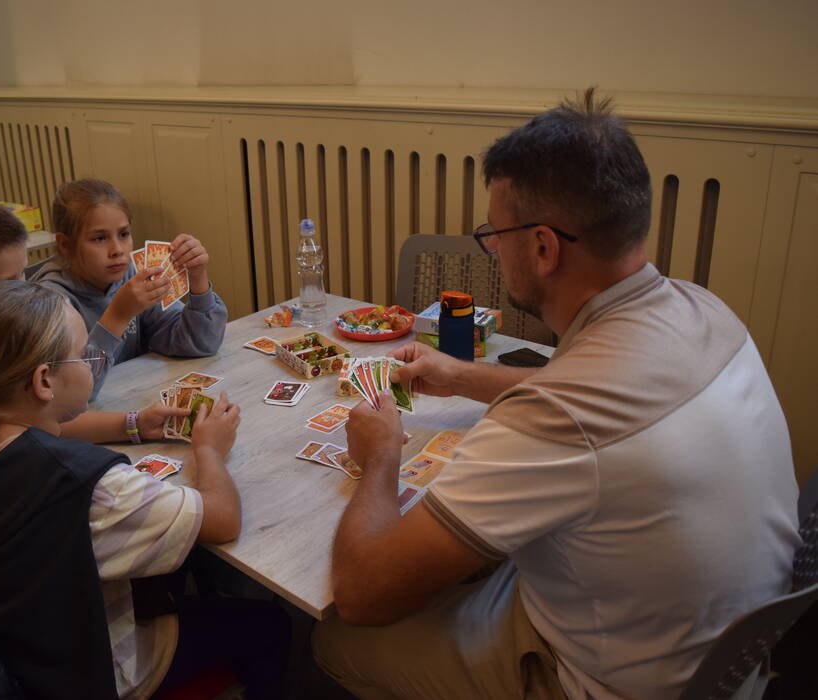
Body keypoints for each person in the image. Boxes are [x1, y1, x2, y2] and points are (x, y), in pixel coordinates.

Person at [312, 89, 801, 699]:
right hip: (722, 662)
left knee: (334, 638)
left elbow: (363, 593)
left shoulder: (560, 415)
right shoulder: (703, 310)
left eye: (495, 234)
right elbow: (595, 405)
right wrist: (462, 375)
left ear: (543, 247)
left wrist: (381, 458)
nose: (493, 248)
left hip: (603, 682)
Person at [0, 280, 289, 699]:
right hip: (90, 671)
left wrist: (133, 424)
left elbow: (50, 430)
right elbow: (224, 520)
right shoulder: (85, 486)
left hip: (14, 649)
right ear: (44, 381)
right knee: (271, 625)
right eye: (85, 355)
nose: (93, 363)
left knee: (176, 568)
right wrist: (209, 450)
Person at [0, 192, 188, 528]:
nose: (23, 289)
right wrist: (131, 424)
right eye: (7, 282)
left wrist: (134, 424)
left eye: (23, 274)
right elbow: (40, 422)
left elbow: (41, 417)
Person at [32, 179, 227, 399]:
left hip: (134, 403)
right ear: (65, 245)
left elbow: (201, 344)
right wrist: (118, 315)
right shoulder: (50, 303)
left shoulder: (132, 277)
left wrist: (198, 280)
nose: (117, 250)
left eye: (124, 234)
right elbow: (72, 395)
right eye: (99, 238)